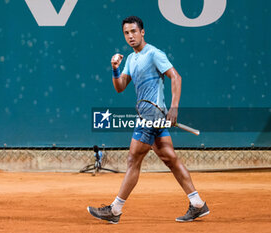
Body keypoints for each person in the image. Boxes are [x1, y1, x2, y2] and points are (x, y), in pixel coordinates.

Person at [87, 16, 209, 224]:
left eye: (134, 31)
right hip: (146, 114)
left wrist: (174, 109)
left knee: (133, 159)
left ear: (142, 32)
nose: (130, 36)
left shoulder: (154, 54)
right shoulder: (131, 59)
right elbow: (120, 87)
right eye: (126, 33)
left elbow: (176, 77)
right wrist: (115, 68)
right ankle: (197, 203)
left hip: (152, 116)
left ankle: (115, 210)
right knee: (170, 158)